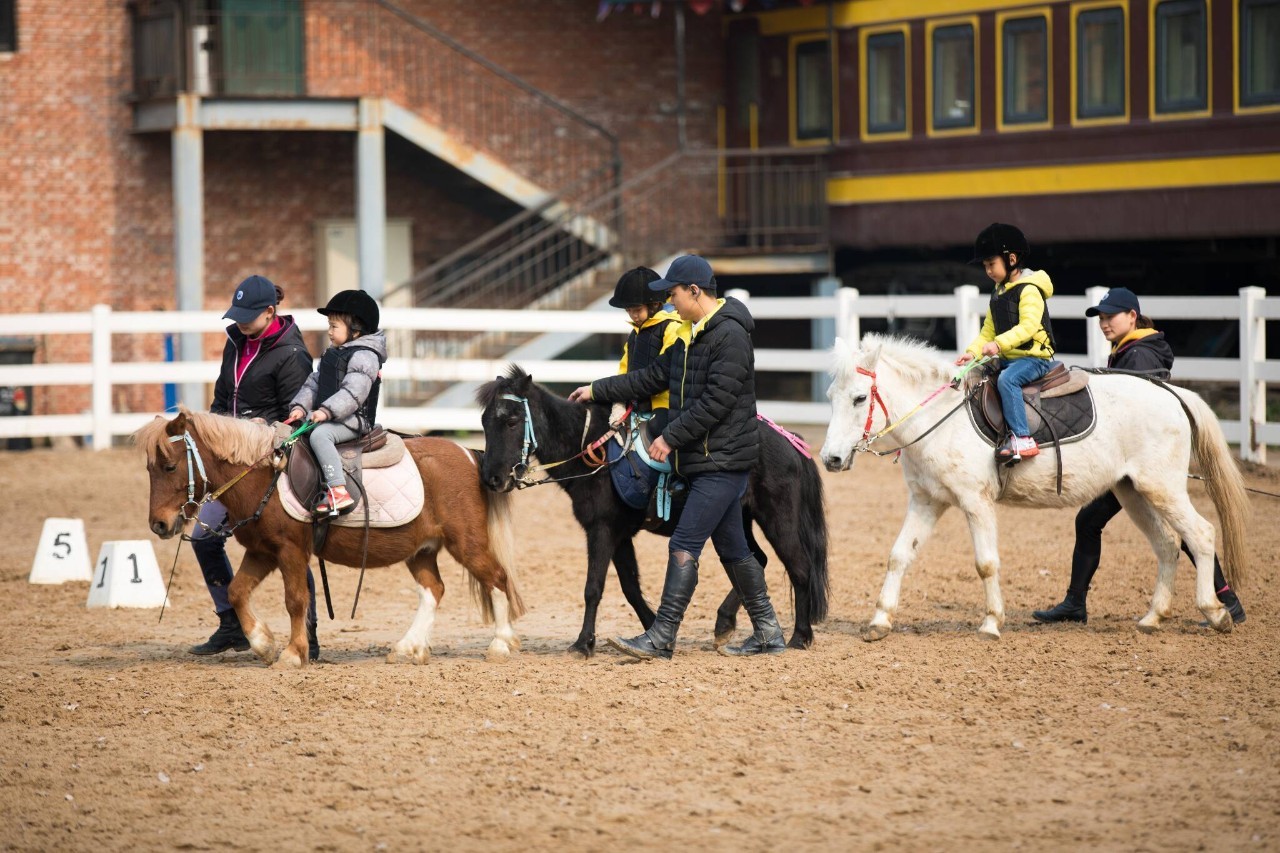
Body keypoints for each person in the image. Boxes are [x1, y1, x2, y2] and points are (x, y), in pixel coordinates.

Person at [568, 255, 786, 659]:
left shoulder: (730, 337)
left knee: (684, 543)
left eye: (672, 293)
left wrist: (669, 437)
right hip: (704, 457)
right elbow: (650, 377)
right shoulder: (689, 332)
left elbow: (715, 402)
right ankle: (769, 634)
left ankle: (662, 635)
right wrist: (597, 390)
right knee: (734, 548)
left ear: (694, 291)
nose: (669, 300)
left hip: (722, 459)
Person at [1033, 287, 1247, 625]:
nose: (1104, 324)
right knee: (1118, 520)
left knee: (1168, 518)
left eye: (1110, 316)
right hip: (1126, 456)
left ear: (1132, 316)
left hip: (1131, 457)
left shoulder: (1139, 355)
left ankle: (1224, 597)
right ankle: (1224, 597)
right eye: (1101, 318)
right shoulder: (1129, 350)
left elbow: (1140, 413)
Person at [192, 275, 323, 659]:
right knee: (203, 537)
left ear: (271, 311)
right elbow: (221, 401)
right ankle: (231, 622)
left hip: (268, 465)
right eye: (238, 314)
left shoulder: (293, 354)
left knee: (289, 545)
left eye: (249, 315)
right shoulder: (234, 343)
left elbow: (295, 416)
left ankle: (308, 634)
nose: (241, 321)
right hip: (230, 466)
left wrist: (261, 430)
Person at [955, 222, 1058, 466]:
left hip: (1034, 359)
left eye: (991, 264)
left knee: (1007, 380)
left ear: (1011, 259)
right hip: (1009, 357)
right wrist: (972, 352)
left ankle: (1023, 438)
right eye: (985, 266)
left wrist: (998, 345)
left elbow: (1028, 327)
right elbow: (988, 330)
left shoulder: (1030, 290)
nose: (988, 270)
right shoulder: (998, 292)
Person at [288, 289, 386, 515]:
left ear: (355, 330)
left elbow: (353, 393)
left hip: (354, 420)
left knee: (321, 435)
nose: (329, 331)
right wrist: (300, 407)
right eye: (329, 325)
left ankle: (338, 490)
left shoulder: (365, 356)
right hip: (333, 416)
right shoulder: (334, 354)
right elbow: (314, 383)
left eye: (334, 326)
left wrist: (326, 411)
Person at [608, 266, 681, 435]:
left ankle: (677, 462)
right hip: (637, 401)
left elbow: (662, 375)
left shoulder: (671, 328)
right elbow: (624, 370)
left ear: (655, 304)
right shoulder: (635, 334)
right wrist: (618, 401)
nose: (633, 316)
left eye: (637, 310)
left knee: (658, 429)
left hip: (664, 404)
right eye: (629, 311)